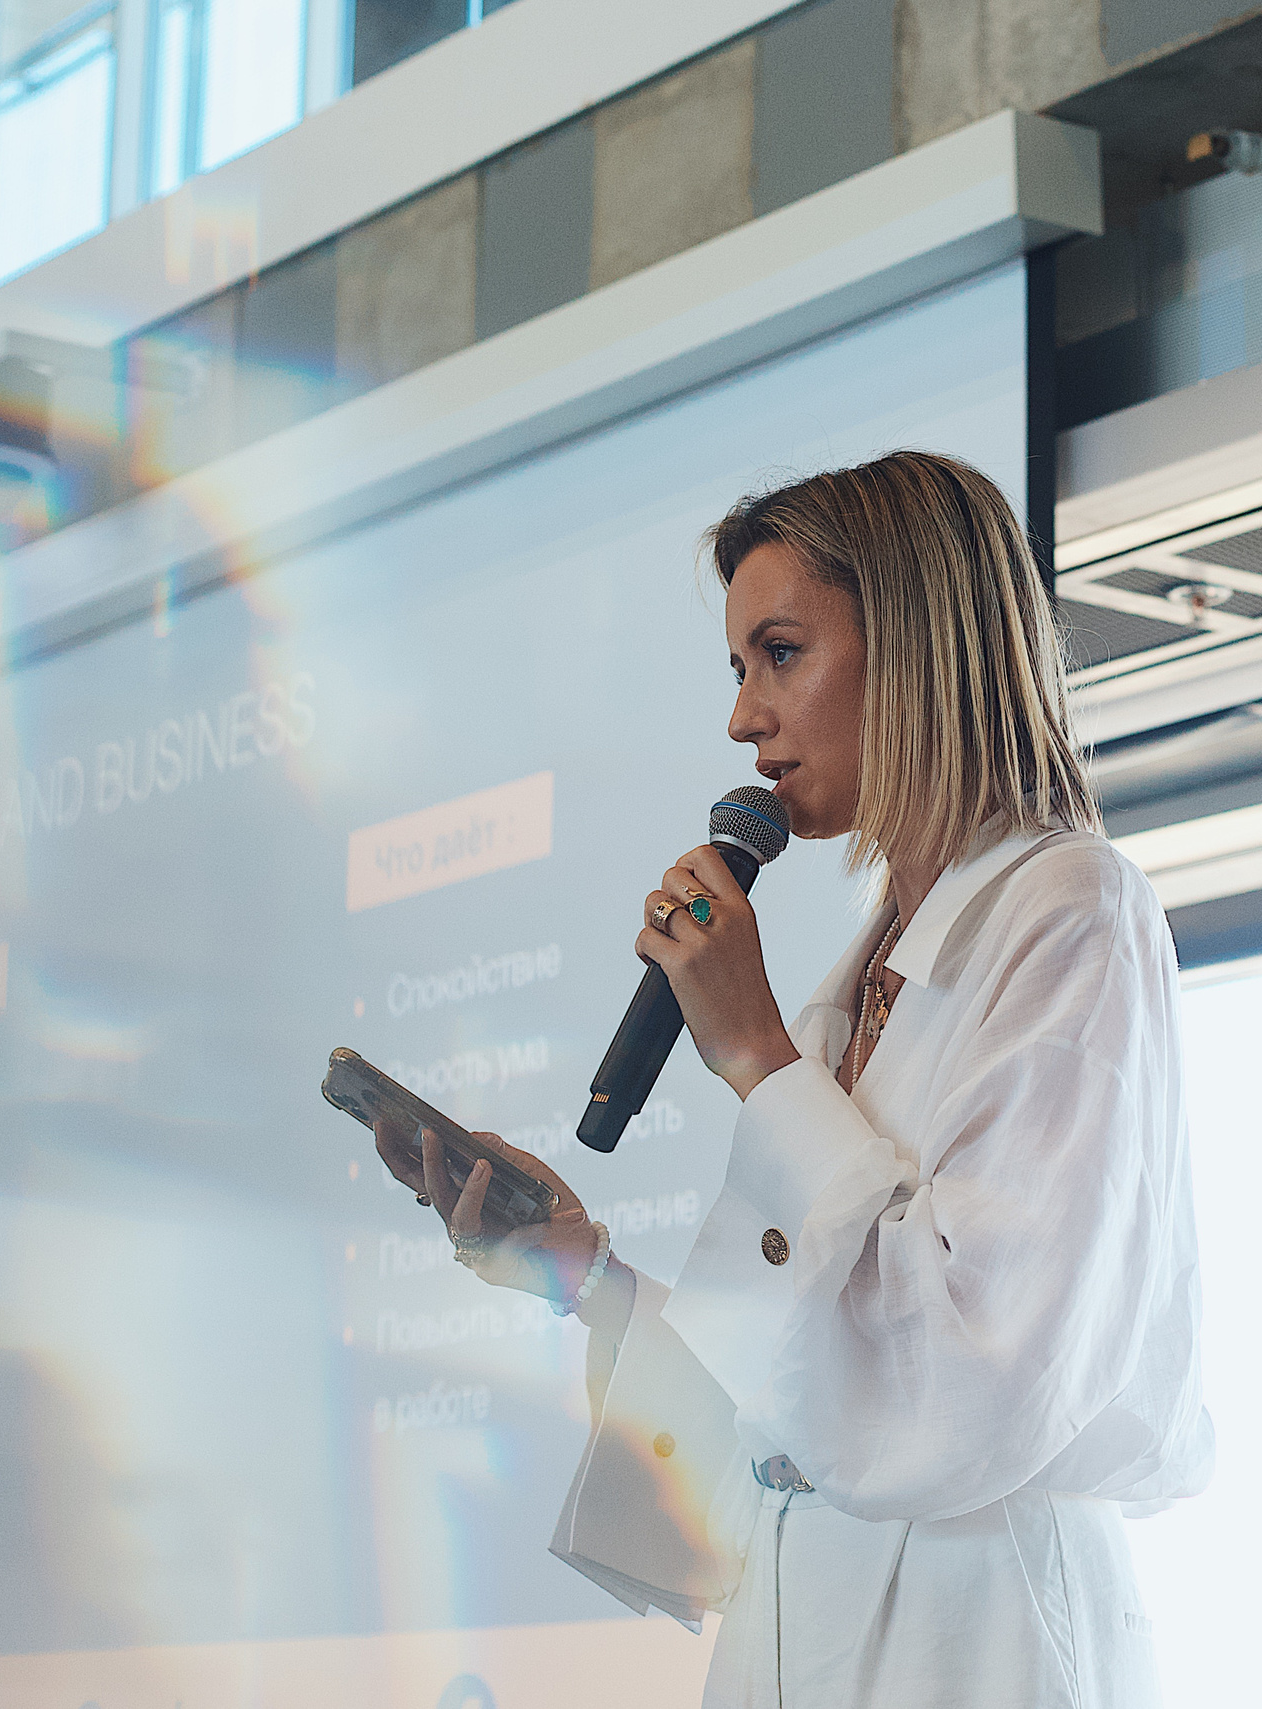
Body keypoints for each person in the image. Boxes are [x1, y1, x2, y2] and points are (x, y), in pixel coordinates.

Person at [374, 450, 1210, 1707]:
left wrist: (756, 1054)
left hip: (968, 1633)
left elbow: (981, 1366)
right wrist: (581, 1271)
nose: (742, 716)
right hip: (799, 1617)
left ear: (918, 644)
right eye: (737, 667)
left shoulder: (1071, 910)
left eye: (780, 652)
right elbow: (799, 1385)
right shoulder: (863, 964)